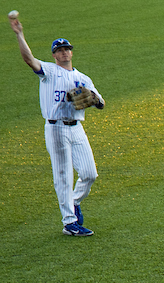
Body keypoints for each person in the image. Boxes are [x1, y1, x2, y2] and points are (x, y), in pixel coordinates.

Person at [10, 15, 106, 235]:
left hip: (77, 128)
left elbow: (100, 102)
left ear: (71, 52)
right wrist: (19, 34)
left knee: (90, 173)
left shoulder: (83, 77)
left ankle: (73, 202)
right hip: (56, 129)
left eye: (67, 49)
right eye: (60, 50)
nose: (64, 52)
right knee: (63, 175)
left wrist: (93, 99)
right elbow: (29, 59)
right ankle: (69, 223)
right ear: (54, 55)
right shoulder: (49, 72)